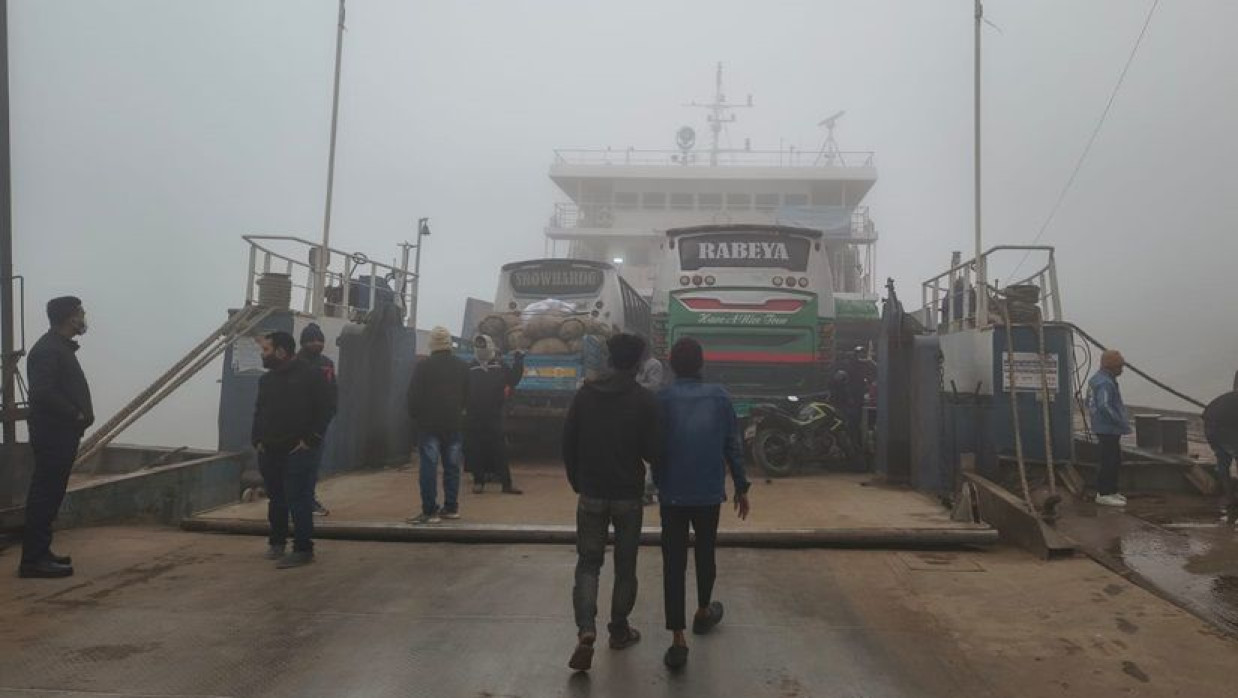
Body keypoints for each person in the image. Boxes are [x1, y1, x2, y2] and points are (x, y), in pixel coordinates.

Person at [562, 333, 661, 672]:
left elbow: (568, 442)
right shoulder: (644, 400)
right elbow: (654, 451)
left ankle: (586, 630)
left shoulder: (585, 395)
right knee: (625, 565)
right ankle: (619, 630)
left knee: (588, 564)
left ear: (609, 360)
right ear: (637, 363)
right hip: (627, 496)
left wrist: (578, 480)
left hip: (591, 492)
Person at [655, 337, 751, 669]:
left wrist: (657, 480)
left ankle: (678, 639)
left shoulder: (662, 399)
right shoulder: (720, 397)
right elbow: (732, 445)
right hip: (708, 493)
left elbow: (653, 446)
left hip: (672, 494)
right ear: (701, 364)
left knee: (673, 563)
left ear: (671, 364)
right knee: (705, 552)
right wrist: (741, 486)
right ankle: (703, 610)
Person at [19, 297, 93, 579]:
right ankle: (33, 561)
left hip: (61, 433)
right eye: (81, 313)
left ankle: (41, 552)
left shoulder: (58, 347)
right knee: (45, 495)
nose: (84, 318)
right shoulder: (49, 350)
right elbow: (42, 392)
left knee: (51, 494)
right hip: (53, 434)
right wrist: (74, 413)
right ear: (69, 317)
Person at [252, 331, 332, 569]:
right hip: (270, 450)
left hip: (298, 450)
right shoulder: (266, 381)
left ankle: (303, 549)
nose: (262, 354)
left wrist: (311, 439)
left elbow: (326, 408)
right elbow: (259, 411)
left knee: (299, 499)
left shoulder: (311, 376)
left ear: (280, 352)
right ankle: (277, 542)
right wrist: (257, 440)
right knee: (276, 498)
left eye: (266, 350)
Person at [406, 326, 469, 524]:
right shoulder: (462, 366)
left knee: (429, 467)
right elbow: (468, 395)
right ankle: (451, 508)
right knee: (452, 467)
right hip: (454, 424)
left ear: (432, 344)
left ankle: (430, 511)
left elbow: (413, 396)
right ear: (449, 343)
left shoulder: (423, 367)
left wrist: (416, 417)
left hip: (429, 425)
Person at [465, 334, 524, 494]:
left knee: (499, 450)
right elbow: (462, 389)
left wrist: (519, 361)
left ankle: (506, 484)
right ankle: (479, 482)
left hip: (494, 414)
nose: (481, 349)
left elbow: (513, 379)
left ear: (490, 346)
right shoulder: (470, 367)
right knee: (476, 449)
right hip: (475, 416)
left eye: (483, 345)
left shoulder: (499, 366)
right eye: (478, 346)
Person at [298, 323, 337, 516]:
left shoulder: (327, 364)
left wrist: (326, 419)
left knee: (312, 467)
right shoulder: (294, 364)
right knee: (296, 468)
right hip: (295, 427)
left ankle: (308, 501)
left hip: (318, 427)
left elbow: (332, 394)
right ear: (303, 342)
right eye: (311, 340)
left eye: (319, 340)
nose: (316, 343)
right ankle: (296, 502)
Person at [1087, 349, 1132, 507]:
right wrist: (1119, 420)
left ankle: (1112, 490)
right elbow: (1104, 405)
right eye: (1120, 366)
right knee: (1109, 460)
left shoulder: (1097, 379)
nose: (1122, 369)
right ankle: (1104, 493)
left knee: (1114, 459)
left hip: (1103, 427)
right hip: (1108, 429)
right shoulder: (1105, 383)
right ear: (1112, 367)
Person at [636, 340, 665, 506]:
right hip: (639, 410)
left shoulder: (654, 364)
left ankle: (649, 490)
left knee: (649, 456)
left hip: (649, 410)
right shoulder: (637, 364)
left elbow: (654, 386)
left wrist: (634, 385)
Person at [1203, 389, 1238, 522]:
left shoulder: (1231, 397)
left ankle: (1230, 497)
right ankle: (1232, 497)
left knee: (1223, 460)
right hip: (1223, 426)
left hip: (1209, 425)